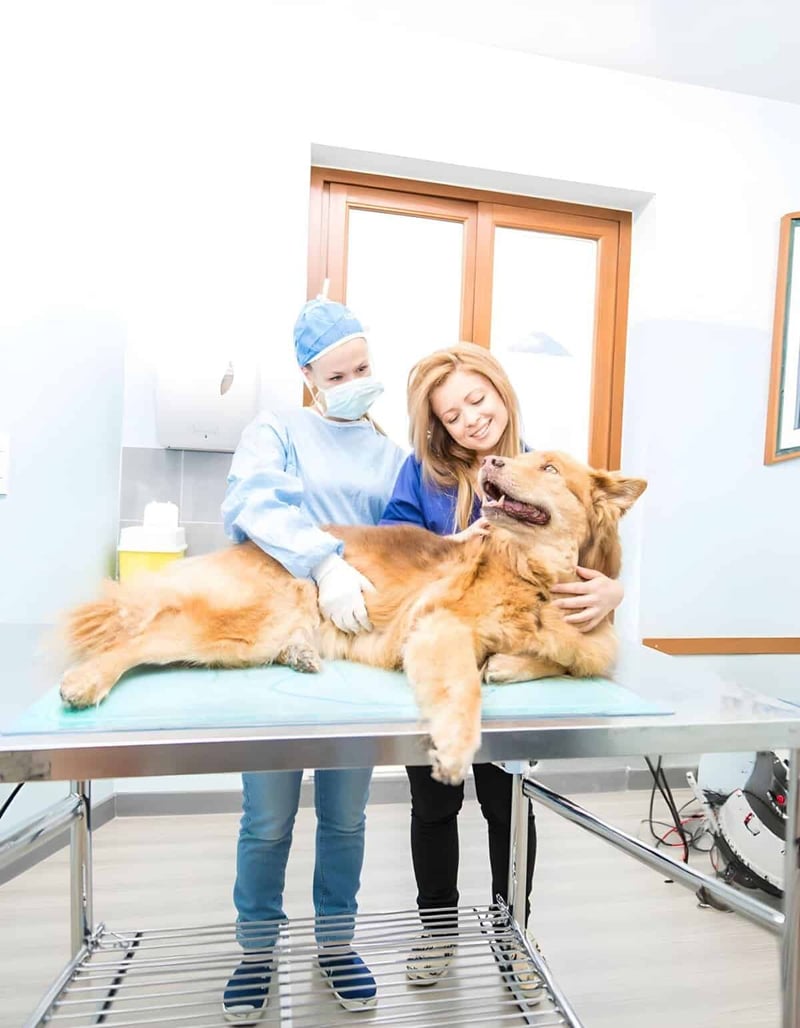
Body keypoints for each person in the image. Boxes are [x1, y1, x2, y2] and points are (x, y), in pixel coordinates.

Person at [380, 342, 624, 997]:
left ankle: (513, 929)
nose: (470, 418)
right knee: (434, 805)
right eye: (453, 414)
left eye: (477, 399)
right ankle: (437, 930)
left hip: (518, 669)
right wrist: (445, 550)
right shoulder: (421, 477)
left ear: (501, 391)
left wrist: (610, 592)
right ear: (438, 426)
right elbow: (390, 559)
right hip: (444, 668)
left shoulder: (546, 471)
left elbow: (597, 552)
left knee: (507, 805)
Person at [220, 297, 406, 1021]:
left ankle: (336, 944)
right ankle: (255, 953)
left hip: (356, 647)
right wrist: (324, 563)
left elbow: (406, 541)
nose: (357, 380)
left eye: (364, 367)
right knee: (266, 817)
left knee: (347, 817)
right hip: (280, 636)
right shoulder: (277, 429)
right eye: (340, 371)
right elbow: (253, 504)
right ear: (309, 375)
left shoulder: (392, 455)